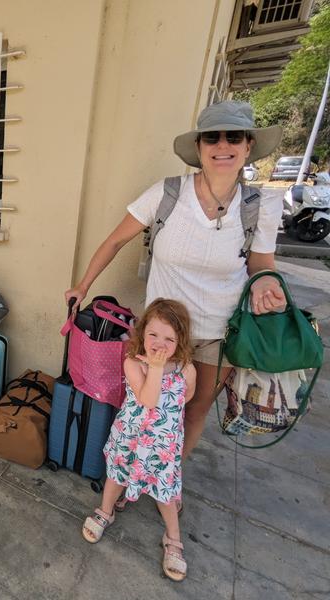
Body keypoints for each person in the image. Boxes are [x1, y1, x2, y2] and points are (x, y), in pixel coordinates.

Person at [64, 101, 286, 464]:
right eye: (212, 137)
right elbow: (115, 240)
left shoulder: (260, 205)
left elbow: (261, 263)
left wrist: (264, 282)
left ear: (248, 146)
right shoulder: (167, 194)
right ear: (199, 148)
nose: (222, 145)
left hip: (219, 333)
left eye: (234, 137)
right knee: (145, 408)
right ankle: (132, 474)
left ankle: (167, 479)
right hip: (161, 333)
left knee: (192, 413)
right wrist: (83, 285)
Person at [82, 299, 196, 582]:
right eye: (153, 335)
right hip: (131, 438)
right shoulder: (133, 363)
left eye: (169, 339)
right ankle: (106, 511)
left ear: (180, 342)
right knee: (117, 476)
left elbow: (187, 398)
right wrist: (155, 369)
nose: (159, 344)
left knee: (165, 493)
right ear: (142, 334)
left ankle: (173, 538)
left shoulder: (187, 369)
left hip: (162, 445)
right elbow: (147, 399)